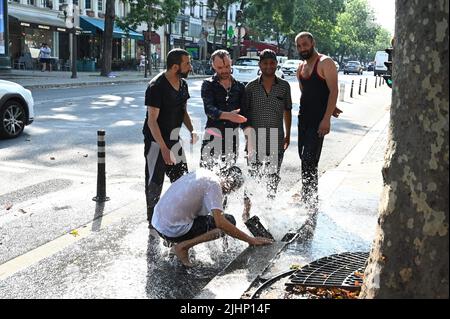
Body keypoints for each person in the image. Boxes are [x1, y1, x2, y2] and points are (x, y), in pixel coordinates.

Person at [151, 166, 273, 267]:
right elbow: (221, 223)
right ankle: (183, 247)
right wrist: (250, 240)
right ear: (231, 184)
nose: (227, 193)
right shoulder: (214, 185)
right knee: (229, 220)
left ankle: (172, 241)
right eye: (231, 190)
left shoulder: (204, 173)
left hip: (157, 223)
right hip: (171, 230)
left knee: (213, 219)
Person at [143, 48, 198, 228]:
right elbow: (152, 121)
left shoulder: (183, 85)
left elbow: (183, 112)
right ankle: (153, 222)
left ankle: (180, 217)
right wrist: (164, 149)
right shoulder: (156, 86)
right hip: (156, 142)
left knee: (182, 182)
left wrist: (192, 130)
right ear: (175, 67)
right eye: (187, 63)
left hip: (174, 141)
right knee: (154, 182)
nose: (190, 66)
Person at [295, 32, 342, 210]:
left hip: (318, 121)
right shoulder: (300, 67)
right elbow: (307, 92)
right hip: (303, 119)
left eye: (305, 44)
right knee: (303, 158)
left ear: (313, 42)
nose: (302, 48)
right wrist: (329, 105)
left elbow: (333, 91)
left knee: (309, 159)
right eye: (299, 46)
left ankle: (309, 199)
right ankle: (308, 195)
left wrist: (326, 118)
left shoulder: (325, 62)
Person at [244, 49, 292, 199]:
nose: (268, 66)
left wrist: (288, 135)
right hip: (255, 140)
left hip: (275, 139)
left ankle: (270, 208)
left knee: (272, 177)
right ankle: (248, 210)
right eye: (265, 63)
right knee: (253, 176)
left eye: (272, 63)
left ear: (277, 64)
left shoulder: (284, 86)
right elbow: (245, 116)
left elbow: (287, 111)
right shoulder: (250, 87)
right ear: (260, 65)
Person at [200, 49, 248, 171]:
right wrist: (229, 116)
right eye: (220, 68)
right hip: (212, 136)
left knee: (228, 177)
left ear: (231, 63)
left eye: (227, 66)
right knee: (206, 177)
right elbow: (209, 110)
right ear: (213, 66)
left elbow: (244, 114)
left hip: (231, 137)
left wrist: (249, 138)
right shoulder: (208, 84)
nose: (225, 70)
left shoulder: (239, 87)